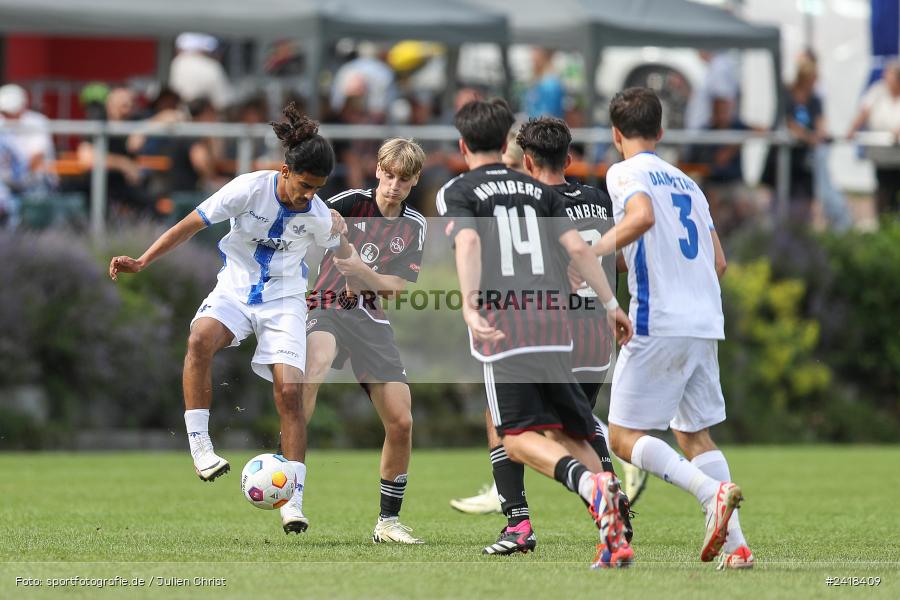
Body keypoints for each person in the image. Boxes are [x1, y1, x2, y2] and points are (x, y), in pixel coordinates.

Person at [108, 103, 349, 535]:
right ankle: (201, 447)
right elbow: (190, 224)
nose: (309, 196)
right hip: (236, 289)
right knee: (199, 339)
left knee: (290, 394)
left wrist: (340, 230)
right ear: (284, 170)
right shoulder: (247, 189)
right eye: (304, 185)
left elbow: (339, 246)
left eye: (318, 189)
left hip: (284, 300)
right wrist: (143, 261)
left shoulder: (316, 214)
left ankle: (293, 500)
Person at [436, 98, 635, 568]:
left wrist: (468, 304)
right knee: (575, 430)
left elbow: (466, 241)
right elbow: (579, 250)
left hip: (506, 324)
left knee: (514, 436)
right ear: (506, 141)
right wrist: (611, 304)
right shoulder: (539, 191)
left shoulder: (457, 190)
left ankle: (579, 492)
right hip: (558, 326)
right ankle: (613, 529)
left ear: (463, 144)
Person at [596, 87, 753, 569]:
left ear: (616, 134)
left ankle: (710, 492)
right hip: (704, 319)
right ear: (661, 132)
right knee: (694, 434)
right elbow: (718, 262)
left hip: (658, 318)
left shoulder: (623, 170)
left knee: (621, 436)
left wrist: (590, 253)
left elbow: (640, 217)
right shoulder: (688, 183)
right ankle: (738, 548)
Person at [301, 138, 428, 543]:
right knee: (315, 364)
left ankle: (388, 523)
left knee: (402, 420)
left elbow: (393, 287)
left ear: (414, 181)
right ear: (377, 170)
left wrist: (361, 271)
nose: (393, 185)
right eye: (388, 175)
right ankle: (290, 484)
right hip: (326, 303)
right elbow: (304, 224)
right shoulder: (348, 202)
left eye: (403, 180)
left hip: (371, 317)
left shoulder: (415, 226)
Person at [848, 60, 900, 214]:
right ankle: (885, 223)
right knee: (884, 188)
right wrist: (852, 130)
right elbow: (863, 112)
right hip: (882, 154)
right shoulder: (877, 91)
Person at [169, 32, 233, 111]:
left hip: (185, 116)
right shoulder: (212, 66)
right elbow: (223, 103)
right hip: (199, 118)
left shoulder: (177, 62)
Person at [522, 48, 565, 119]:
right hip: (534, 126)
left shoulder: (550, 84)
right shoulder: (538, 81)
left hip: (545, 128)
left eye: (535, 52)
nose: (531, 58)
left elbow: (547, 115)